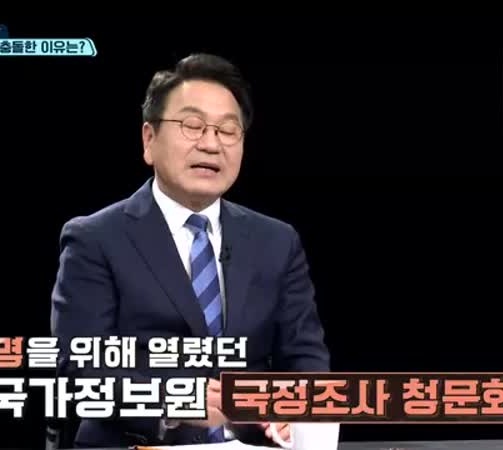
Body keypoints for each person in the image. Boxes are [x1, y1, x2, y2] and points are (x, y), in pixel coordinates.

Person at [51, 53, 330, 448]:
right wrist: (176, 401)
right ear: (149, 140)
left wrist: (295, 408)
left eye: (228, 130)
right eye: (192, 126)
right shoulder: (95, 238)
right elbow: (80, 366)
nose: (211, 144)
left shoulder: (277, 241)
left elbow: (305, 357)